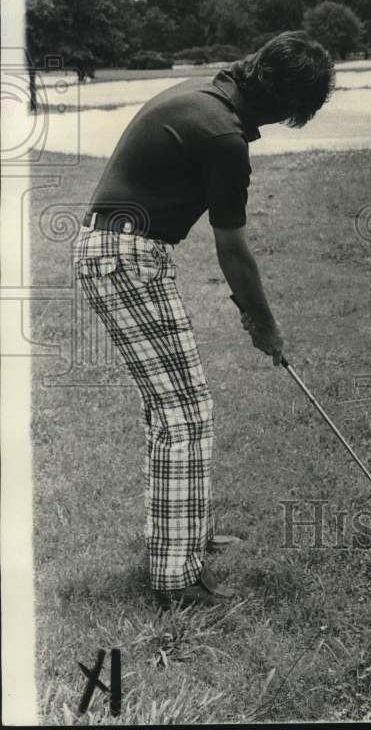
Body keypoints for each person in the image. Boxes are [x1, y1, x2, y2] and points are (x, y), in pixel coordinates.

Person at [72, 31, 335, 608]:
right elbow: (233, 249)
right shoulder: (222, 134)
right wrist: (263, 324)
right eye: (296, 110)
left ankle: (183, 533)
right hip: (125, 258)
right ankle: (175, 578)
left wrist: (252, 316)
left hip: (119, 252)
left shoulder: (206, 94)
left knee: (174, 408)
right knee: (183, 413)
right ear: (285, 100)